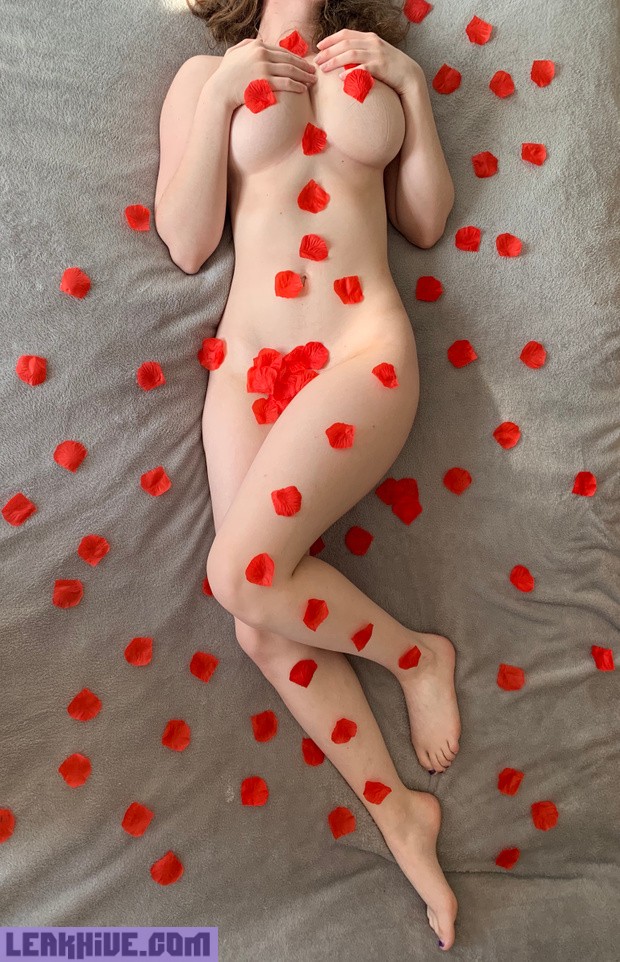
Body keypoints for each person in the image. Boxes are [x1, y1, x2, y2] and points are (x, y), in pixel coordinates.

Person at [155, 0, 459, 950]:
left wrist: (409, 83)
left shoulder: (378, 59)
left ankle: (417, 657)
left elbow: (425, 222)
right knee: (256, 615)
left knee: (243, 574)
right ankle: (401, 814)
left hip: (363, 353)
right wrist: (220, 101)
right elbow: (187, 243)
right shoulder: (204, 76)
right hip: (250, 370)